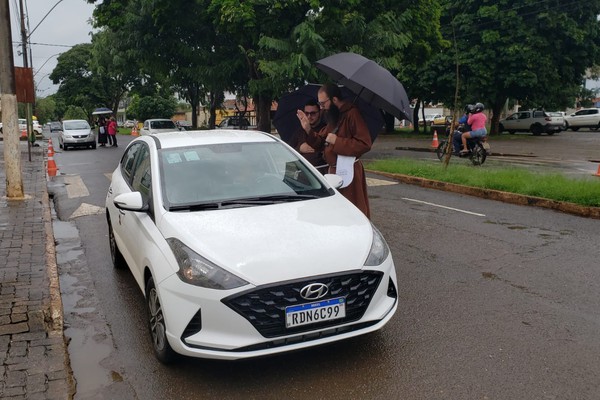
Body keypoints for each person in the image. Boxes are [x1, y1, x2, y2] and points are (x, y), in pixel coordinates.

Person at [297, 83, 372, 218]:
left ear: (334, 100)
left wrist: (337, 141)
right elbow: (321, 143)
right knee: (337, 212)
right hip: (334, 171)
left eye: (323, 103)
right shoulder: (334, 117)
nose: (321, 107)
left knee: (353, 210)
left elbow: (364, 144)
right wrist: (308, 128)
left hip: (350, 171)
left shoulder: (352, 114)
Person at [288, 99, 327, 173]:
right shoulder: (299, 131)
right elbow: (287, 150)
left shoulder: (325, 129)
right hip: (300, 174)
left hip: (318, 174)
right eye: (307, 113)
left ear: (320, 113)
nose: (309, 116)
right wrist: (299, 149)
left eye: (313, 113)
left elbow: (325, 149)